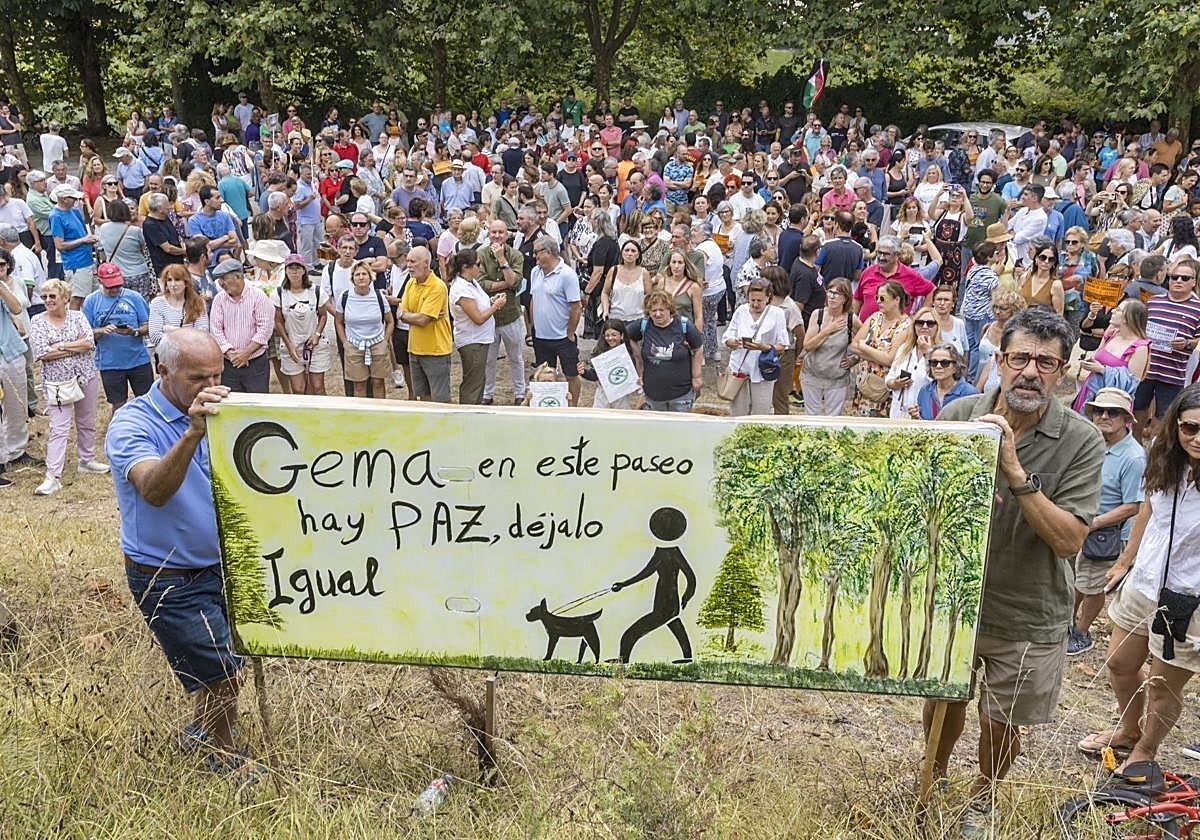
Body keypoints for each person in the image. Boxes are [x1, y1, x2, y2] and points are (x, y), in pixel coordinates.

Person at [924, 306, 1104, 836]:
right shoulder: (958, 418)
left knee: (1001, 721)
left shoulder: (1081, 440)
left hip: (1028, 608)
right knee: (942, 702)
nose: (1030, 371)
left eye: (1046, 362)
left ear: (1063, 370)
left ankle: (984, 795)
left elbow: (1070, 539)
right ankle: (932, 777)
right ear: (1000, 360)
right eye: (1020, 357)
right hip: (953, 601)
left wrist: (1014, 469)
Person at [105, 329, 262, 781]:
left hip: (220, 565)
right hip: (166, 575)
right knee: (223, 672)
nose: (211, 384)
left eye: (218, 373)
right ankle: (224, 758)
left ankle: (200, 732)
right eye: (197, 377)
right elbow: (153, 489)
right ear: (163, 371)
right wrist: (193, 433)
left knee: (219, 662)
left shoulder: (227, 411)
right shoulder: (132, 423)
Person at [1077, 384, 1200, 769]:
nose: (1197, 438)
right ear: (1176, 426)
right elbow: (1148, 509)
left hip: (1189, 597)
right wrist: (1125, 561)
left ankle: (1146, 750)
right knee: (1118, 663)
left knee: (1162, 686)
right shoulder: (1164, 461)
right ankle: (1129, 729)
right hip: (1144, 583)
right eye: (1190, 428)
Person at [1064, 388, 1145, 657]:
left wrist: (1096, 522)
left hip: (1105, 532)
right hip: (1080, 523)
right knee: (1075, 578)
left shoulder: (1133, 457)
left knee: (1092, 585)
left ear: (1126, 419)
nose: (1104, 416)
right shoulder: (1092, 442)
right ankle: (1067, 624)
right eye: (1099, 411)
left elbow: (1134, 505)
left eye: (1113, 412)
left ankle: (1082, 632)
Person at [26, 278, 108, 496]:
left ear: (65, 298)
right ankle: (53, 476)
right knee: (59, 429)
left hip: (86, 376)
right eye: (44, 297)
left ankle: (87, 460)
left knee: (86, 421)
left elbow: (89, 343)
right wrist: (74, 346)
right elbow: (42, 353)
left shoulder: (78, 316)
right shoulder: (38, 321)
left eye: (52, 296)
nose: (48, 300)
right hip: (57, 383)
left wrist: (59, 346)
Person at [1132, 257, 1200, 439]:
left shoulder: (1198, 308)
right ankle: (1136, 444)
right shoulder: (1153, 301)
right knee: (1137, 408)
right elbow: (1140, 328)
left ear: (1194, 282)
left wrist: (1187, 343)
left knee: (1164, 416)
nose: (1178, 281)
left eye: (1185, 278)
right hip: (1146, 368)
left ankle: (1154, 450)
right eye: (1174, 277)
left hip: (1173, 373)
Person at [81, 262, 152, 411]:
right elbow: (84, 332)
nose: (114, 289)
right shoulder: (91, 301)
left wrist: (135, 332)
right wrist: (101, 331)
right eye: (110, 286)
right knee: (118, 404)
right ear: (100, 281)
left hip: (139, 360)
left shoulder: (134, 297)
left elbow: (148, 325)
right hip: (110, 363)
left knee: (147, 401)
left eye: (117, 285)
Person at [625, 290, 703, 412]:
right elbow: (626, 336)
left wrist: (696, 376)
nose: (657, 314)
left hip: (681, 393)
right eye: (653, 311)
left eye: (662, 310)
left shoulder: (684, 325)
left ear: (669, 309)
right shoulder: (643, 325)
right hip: (653, 394)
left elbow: (698, 348)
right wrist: (637, 356)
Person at [722, 278, 789, 417]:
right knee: (738, 413)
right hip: (739, 369)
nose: (755, 304)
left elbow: (783, 345)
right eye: (752, 300)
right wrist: (733, 342)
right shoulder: (741, 311)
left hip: (762, 370)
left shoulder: (777, 314)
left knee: (761, 414)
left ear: (768, 298)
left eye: (760, 300)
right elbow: (727, 336)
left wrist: (765, 347)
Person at [529, 236, 582, 404]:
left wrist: (570, 332)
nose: (534, 255)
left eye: (537, 252)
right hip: (541, 336)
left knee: (571, 374)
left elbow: (576, 306)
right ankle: (545, 404)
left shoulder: (567, 275)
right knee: (543, 374)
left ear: (549, 252)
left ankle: (573, 407)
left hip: (562, 337)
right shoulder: (535, 272)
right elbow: (533, 299)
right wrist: (532, 327)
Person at [1072, 298, 1149, 413]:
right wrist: (1090, 362)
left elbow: (1132, 383)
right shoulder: (1112, 333)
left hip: (1111, 404)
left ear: (1129, 318)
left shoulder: (1140, 348)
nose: (1112, 311)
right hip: (1089, 391)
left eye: (1118, 310)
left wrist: (1103, 370)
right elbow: (1098, 355)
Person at [477, 219, 524, 406]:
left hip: (510, 315)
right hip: (488, 316)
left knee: (516, 357)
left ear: (507, 234)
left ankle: (520, 392)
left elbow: (516, 283)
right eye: (493, 232)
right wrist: (506, 284)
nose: (497, 236)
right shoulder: (479, 254)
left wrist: (502, 260)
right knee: (488, 359)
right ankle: (488, 393)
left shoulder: (515, 255)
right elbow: (481, 284)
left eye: (500, 232)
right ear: (488, 233)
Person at [208, 258, 272, 393]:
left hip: (255, 362)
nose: (221, 283)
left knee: (257, 403)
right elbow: (215, 329)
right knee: (231, 403)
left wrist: (246, 353)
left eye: (224, 278)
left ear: (237, 277)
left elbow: (264, 329)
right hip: (228, 363)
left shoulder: (258, 297)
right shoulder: (219, 300)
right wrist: (231, 353)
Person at [448, 249, 504, 405]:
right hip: (472, 341)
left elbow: (478, 306)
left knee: (479, 379)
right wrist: (496, 306)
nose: (480, 267)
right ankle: (467, 414)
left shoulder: (471, 283)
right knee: (473, 382)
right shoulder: (461, 289)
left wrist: (491, 301)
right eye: (478, 264)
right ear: (466, 267)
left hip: (479, 339)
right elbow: (478, 318)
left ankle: (475, 412)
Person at [398, 245, 452, 402]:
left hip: (435, 351)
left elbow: (422, 320)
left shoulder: (437, 287)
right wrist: (409, 315)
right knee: (422, 395)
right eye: (407, 261)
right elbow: (402, 311)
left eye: (413, 261)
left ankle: (443, 426)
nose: (408, 265)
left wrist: (406, 315)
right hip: (414, 349)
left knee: (440, 398)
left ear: (426, 263)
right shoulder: (410, 283)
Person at [850, 280, 910, 417]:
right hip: (864, 384)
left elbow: (890, 359)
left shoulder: (906, 326)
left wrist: (864, 347)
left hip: (884, 389)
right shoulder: (875, 318)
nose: (878, 301)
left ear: (896, 300)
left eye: (882, 298)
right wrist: (878, 356)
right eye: (876, 297)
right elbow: (854, 345)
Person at [334, 259, 393, 399]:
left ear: (370, 276)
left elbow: (390, 321)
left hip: (377, 343)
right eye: (357, 274)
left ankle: (379, 414)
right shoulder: (345, 297)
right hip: (354, 345)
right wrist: (345, 343)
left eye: (364, 274)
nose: (361, 277)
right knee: (359, 385)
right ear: (352, 278)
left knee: (378, 382)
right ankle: (361, 417)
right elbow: (338, 321)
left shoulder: (379, 296)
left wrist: (385, 341)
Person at [801, 277, 858, 416]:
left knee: (833, 418)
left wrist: (855, 359)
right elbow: (808, 346)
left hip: (836, 377)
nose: (832, 296)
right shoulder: (818, 314)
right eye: (830, 292)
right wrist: (827, 330)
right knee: (811, 416)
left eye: (837, 294)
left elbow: (867, 340)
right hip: (812, 374)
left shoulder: (852, 319)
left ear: (845, 298)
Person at [273, 254, 329, 396]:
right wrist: (288, 343)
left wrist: (316, 335)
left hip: (315, 344)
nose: (295, 272)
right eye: (291, 269)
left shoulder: (316, 291)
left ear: (304, 270)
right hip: (292, 344)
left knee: (317, 386)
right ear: (286, 271)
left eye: (298, 268)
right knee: (298, 388)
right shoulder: (279, 294)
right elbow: (278, 321)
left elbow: (323, 314)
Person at [853, 235, 934, 319]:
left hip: (898, 330)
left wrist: (919, 317)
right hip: (866, 329)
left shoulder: (910, 275)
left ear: (897, 255)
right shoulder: (868, 272)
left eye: (886, 254)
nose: (881, 257)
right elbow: (857, 299)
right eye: (879, 253)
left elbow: (931, 290)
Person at [884, 305, 939, 420]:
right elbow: (889, 378)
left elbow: (939, 382)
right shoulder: (904, 349)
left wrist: (927, 353)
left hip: (924, 414)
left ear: (937, 327)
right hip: (898, 412)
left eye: (930, 323)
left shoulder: (942, 352)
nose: (924, 326)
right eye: (920, 322)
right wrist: (895, 383)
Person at [98, 199, 156, 302]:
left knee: (121, 304)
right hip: (139, 273)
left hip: (116, 274)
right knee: (141, 303)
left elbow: (101, 248)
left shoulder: (103, 228)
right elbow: (143, 248)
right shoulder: (135, 230)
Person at [49, 185, 97, 309]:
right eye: (73, 198)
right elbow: (59, 245)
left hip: (87, 260)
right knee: (77, 298)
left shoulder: (74, 210)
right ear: (64, 199)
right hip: (75, 263)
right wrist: (83, 240)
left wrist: (89, 239)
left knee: (90, 297)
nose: (76, 201)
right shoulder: (56, 216)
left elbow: (83, 232)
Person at [148, 264, 209, 351]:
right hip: (166, 355)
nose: (173, 284)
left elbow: (202, 334)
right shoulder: (157, 303)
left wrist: (169, 329)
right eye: (169, 280)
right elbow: (155, 337)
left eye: (177, 280)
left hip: (193, 353)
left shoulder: (199, 302)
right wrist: (188, 333)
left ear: (186, 282)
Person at [914, 343, 976, 419]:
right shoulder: (924, 391)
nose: (938, 366)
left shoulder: (969, 393)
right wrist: (916, 417)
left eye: (945, 363)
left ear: (955, 367)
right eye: (934, 362)